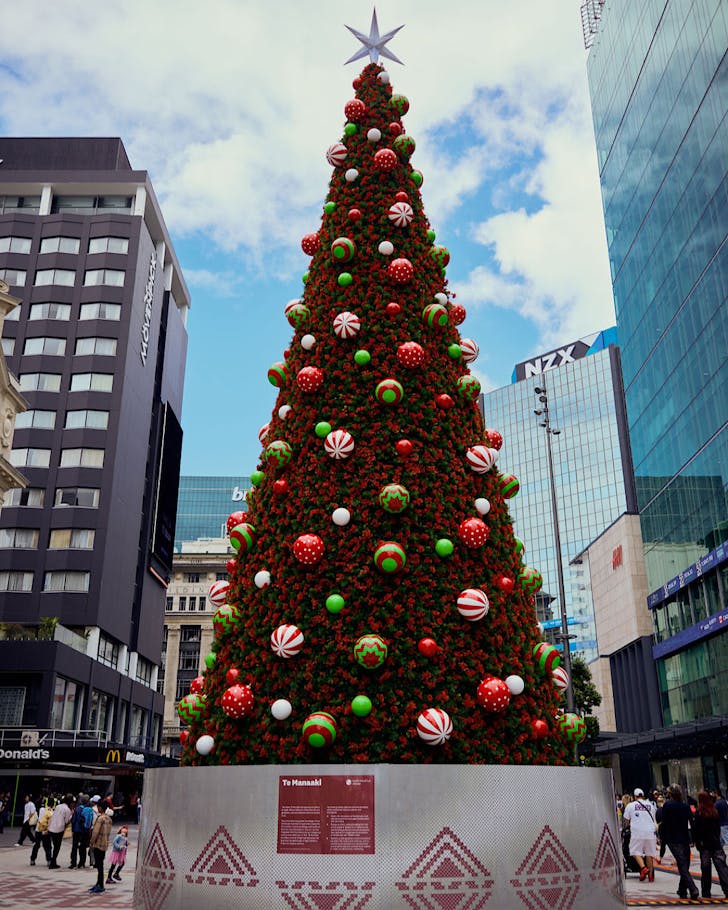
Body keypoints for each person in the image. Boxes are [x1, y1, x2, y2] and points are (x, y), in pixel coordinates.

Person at [658, 785, 700, 901]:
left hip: (672, 838)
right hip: (684, 837)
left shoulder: (668, 805)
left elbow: (664, 823)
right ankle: (685, 889)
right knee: (684, 863)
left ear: (671, 794)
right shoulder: (685, 806)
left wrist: (662, 839)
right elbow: (692, 822)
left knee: (682, 864)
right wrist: (694, 838)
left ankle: (691, 888)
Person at [693, 790, 728, 899]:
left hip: (705, 845)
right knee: (722, 867)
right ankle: (727, 888)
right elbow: (717, 829)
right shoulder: (714, 811)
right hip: (715, 844)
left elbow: (696, 830)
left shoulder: (699, 813)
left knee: (706, 869)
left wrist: (697, 843)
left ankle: (706, 892)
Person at [623, 788, 658, 882]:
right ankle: (650, 876)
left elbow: (626, 820)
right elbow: (654, 819)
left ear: (635, 797)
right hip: (650, 832)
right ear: (643, 795)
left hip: (637, 832)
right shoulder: (650, 805)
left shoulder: (631, 805)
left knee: (634, 851)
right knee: (649, 854)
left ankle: (643, 868)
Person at [88, 806, 113, 894]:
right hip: (104, 844)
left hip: (98, 844)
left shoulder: (100, 819)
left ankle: (100, 885)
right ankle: (98, 883)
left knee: (99, 866)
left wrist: (91, 842)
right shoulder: (109, 819)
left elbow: (95, 832)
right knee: (100, 865)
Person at [47, 794, 74, 868]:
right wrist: (71, 815)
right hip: (59, 829)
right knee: (57, 847)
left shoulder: (58, 806)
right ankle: (53, 862)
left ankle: (52, 861)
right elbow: (66, 821)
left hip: (52, 827)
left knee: (54, 845)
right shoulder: (67, 810)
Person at [70, 794, 93, 869]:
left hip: (77, 831)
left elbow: (73, 820)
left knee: (74, 847)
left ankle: (73, 863)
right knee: (83, 847)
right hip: (85, 831)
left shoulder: (78, 809)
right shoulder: (89, 809)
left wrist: (72, 829)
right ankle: (82, 863)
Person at [29, 802, 53, 866]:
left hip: (38, 830)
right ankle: (49, 860)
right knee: (48, 846)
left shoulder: (41, 809)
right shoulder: (51, 811)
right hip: (45, 831)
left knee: (37, 845)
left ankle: (32, 860)